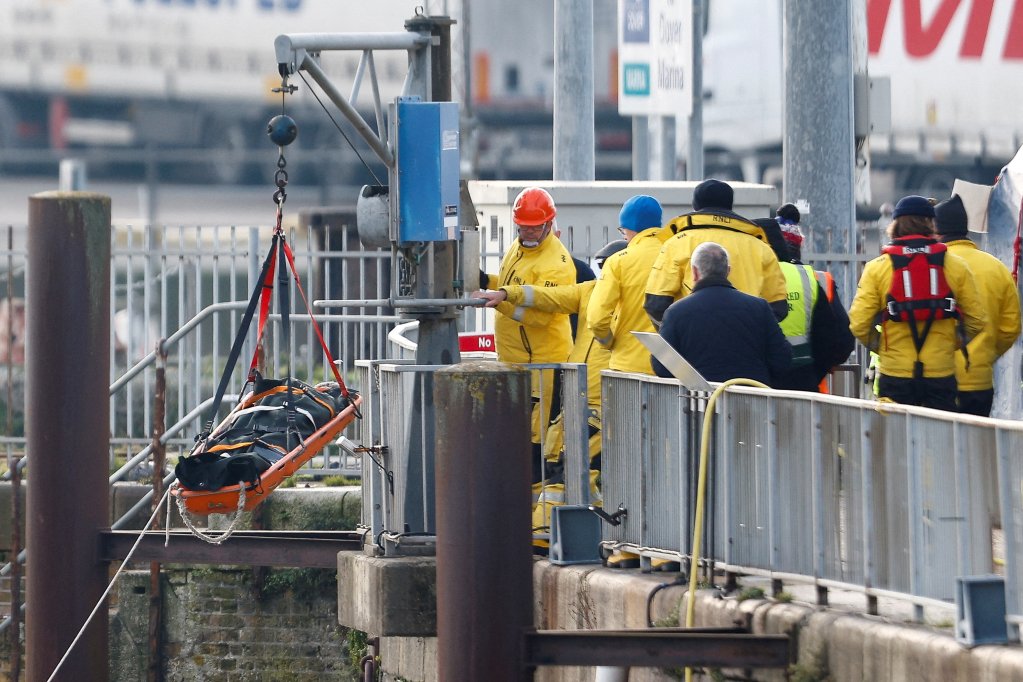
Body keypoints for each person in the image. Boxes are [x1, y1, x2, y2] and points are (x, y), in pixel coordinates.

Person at [474, 239, 628, 553]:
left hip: (601, 397)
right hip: (578, 391)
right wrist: (503, 291)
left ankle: (545, 530)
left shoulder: (629, 301)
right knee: (560, 457)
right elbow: (547, 296)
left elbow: (546, 310)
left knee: (568, 462)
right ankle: (581, 530)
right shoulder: (591, 291)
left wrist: (503, 299)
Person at [848, 195, 987, 411]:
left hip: (895, 375)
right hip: (940, 375)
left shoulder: (878, 267)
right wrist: (950, 343)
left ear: (895, 225)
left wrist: (884, 347)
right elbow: (977, 320)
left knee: (896, 441)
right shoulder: (956, 265)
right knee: (940, 441)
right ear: (931, 224)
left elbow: (858, 323)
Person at [480, 186, 576, 472]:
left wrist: (499, 302)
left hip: (542, 368)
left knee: (537, 448)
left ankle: (537, 512)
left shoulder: (556, 265)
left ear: (549, 224)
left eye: (534, 228)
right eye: (522, 227)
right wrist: (488, 281)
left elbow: (541, 318)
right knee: (515, 443)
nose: (527, 232)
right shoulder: (519, 247)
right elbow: (513, 286)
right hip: (517, 363)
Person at [644, 179, 788, 328]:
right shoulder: (761, 248)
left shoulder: (677, 244)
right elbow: (778, 307)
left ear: (696, 206)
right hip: (744, 344)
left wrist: (679, 334)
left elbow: (655, 304)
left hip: (693, 345)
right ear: (730, 206)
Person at [653, 242, 792, 386]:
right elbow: (782, 360)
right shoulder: (759, 307)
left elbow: (662, 368)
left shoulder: (676, 312)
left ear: (694, 272)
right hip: (752, 400)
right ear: (728, 271)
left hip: (700, 402)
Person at [934, 195, 1021, 416]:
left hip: (939, 380)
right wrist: (986, 351)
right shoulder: (997, 268)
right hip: (979, 382)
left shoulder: (934, 268)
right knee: (976, 446)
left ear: (938, 230)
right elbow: (1011, 327)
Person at [767, 204, 856, 392]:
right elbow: (841, 341)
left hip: (761, 385)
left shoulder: (756, 277)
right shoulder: (818, 279)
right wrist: (815, 370)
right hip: (806, 386)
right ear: (798, 247)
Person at [588, 194, 675, 374]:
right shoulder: (676, 254)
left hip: (627, 365)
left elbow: (596, 319)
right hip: (669, 365)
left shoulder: (618, 261)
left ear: (630, 228)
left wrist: (608, 342)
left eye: (623, 231)